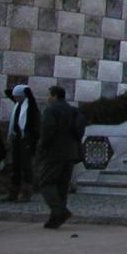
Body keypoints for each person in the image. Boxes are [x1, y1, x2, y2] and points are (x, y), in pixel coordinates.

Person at [37, 85, 84, 229]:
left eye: (49, 95)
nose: (48, 98)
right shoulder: (73, 110)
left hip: (55, 153)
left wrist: (42, 149)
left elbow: (47, 131)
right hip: (70, 153)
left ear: (55, 96)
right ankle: (55, 219)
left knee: (46, 183)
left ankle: (60, 211)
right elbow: (79, 130)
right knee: (62, 186)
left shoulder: (51, 110)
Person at [5, 84, 40, 202]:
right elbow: (7, 92)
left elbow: (35, 127)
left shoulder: (30, 107)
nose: (15, 99)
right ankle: (13, 192)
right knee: (15, 166)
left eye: (18, 96)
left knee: (26, 166)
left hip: (26, 139)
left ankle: (26, 193)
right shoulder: (18, 105)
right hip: (17, 138)